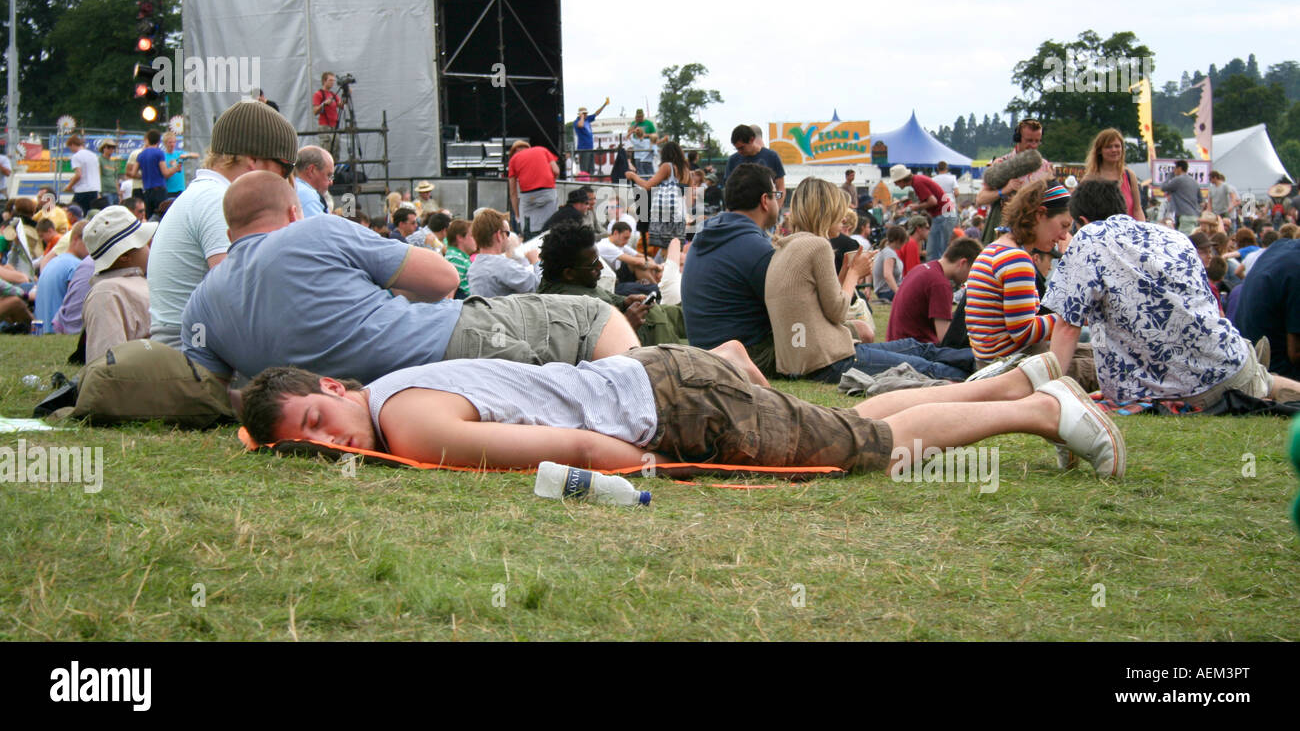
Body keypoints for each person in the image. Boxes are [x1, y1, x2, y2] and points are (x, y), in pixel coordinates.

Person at [237, 341, 1125, 477]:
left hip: (669, 407)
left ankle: (1042, 413)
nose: (331, 444)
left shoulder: (409, 427)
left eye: (319, 421)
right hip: (659, 372)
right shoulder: (391, 385)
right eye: (308, 446)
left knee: (868, 443)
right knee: (835, 424)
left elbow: (576, 445)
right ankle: (1008, 384)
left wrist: (646, 471)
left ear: (334, 389)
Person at [181, 173, 637, 383]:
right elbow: (440, 280)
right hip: (449, 346)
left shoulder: (201, 304)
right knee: (588, 314)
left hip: (387, 398)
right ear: (293, 212)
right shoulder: (315, 230)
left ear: (228, 231)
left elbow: (215, 392)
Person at [1045, 178, 1300, 406]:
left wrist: (1048, 395)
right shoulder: (1173, 236)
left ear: (1083, 222)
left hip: (1178, 392)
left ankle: (1253, 368)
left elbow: (1068, 326)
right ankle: (1251, 363)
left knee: (1259, 381)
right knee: (1260, 380)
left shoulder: (1090, 237)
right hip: (1225, 364)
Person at [766, 178, 973, 384]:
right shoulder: (817, 246)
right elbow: (837, 311)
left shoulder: (784, 248)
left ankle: (989, 363)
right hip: (827, 361)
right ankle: (988, 371)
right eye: (840, 210)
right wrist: (855, 273)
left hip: (801, 359)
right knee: (925, 367)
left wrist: (847, 270)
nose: (845, 218)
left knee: (917, 348)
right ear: (827, 211)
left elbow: (821, 306)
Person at [147, 100, 301, 348]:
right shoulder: (218, 201)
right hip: (196, 357)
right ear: (253, 160)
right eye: (285, 169)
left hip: (192, 347)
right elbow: (242, 302)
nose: (287, 181)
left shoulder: (205, 194)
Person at [681, 163, 781, 376]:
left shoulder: (706, 235)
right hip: (749, 356)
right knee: (851, 333)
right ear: (765, 200)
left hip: (704, 352)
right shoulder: (757, 249)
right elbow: (790, 313)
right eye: (776, 195)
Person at [966, 181, 1071, 366]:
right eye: (1063, 225)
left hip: (990, 363)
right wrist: (1072, 316)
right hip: (1009, 368)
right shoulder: (1016, 260)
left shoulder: (996, 248)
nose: (1064, 236)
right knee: (1094, 362)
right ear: (1040, 214)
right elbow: (1023, 333)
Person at [538, 221, 687, 346]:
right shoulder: (564, 309)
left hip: (656, 318)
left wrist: (625, 301)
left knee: (689, 313)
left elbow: (605, 296)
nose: (601, 267)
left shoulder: (578, 282)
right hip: (653, 339)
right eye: (594, 263)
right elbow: (590, 355)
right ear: (569, 273)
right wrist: (627, 323)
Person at [82, 205, 156, 364]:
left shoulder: (115, 288)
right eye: (144, 243)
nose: (149, 246)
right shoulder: (106, 293)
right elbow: (106, 365)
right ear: (125, 255)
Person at [888, 237, 983, 344]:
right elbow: (946, 339)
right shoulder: (940, 284)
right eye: (973, 271)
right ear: (962, 263)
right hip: (915, 348)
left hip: (897, 343)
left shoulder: (922, 269)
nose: (971, 277)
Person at [977, 119, 1053, 244]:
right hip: (1006, 228)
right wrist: (1004, 190)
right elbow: (980, 199)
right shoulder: (1001, 164)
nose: (1033, 146)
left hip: (1034, 228)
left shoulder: (1045, 167)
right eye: (1029, 141)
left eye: (1037, 141)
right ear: (1017, 138)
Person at [1234, 238, 1300, 380]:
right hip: (1275, 377)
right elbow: (1296, 352)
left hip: (1244, 364)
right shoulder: (1296, 269)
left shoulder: (1280, 247)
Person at [626, 139, 689, 250]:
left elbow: (647, 185)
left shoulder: (667, 166)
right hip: (680, 214)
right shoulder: (686, 170)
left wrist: (633, 176)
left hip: (664, 214)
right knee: (675, 248)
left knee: (664, 249)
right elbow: (690, 194)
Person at [466, 208, 541, 297]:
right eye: (507, 233)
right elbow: (539, 287)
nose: (508, 238)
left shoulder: (474, 267)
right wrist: (536, 261)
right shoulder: (502, 265)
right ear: (499, 235)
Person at [33, 221, 85, 334]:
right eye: (88, 241)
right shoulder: (76, 267)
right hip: (56, 331)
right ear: (76, 239)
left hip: (40, 331)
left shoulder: (52, 263)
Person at [1083, 128, 1145, 221]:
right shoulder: (1089, 179)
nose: (1114, 150)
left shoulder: (1129, 176)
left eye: (1117, 146)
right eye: (1108, 147)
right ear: (1099, 150)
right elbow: (1081, 212)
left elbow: (1137, 209)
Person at [507, 140, 559, 239]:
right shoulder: (542, 150)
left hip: (528, 196)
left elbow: (513, 192)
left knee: (528, 229)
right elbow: (556, 170)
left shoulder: (513, 159)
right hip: (548, 192)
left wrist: (518, 216)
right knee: (552, 226)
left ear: (514, 151)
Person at [51, 222, 94, 335]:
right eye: (88, 242)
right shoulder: (79, 266)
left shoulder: (55, 261)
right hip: (60, 329)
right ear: (75, 239)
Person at [722, 124, 785, 197]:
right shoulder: (733, 160)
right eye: (737, 149)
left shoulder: (772, 156)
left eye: (742, 148)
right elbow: (728, 189)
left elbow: (780, 188)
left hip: (767, 204)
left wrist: (776, 206)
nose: (739, 152)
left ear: (751, 140)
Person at [1156, 159, 1203, 234]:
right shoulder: (1194, 182)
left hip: (1185, 216)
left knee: (1185, 240)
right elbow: (1200, 200)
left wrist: (1169, 177)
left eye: (1175, 168)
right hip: (1194, 216)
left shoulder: (1178, 180)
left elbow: (1163, 187)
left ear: (1180, 168)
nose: (1174, 170)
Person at [135, 131, 170, 218]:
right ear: (158, 141)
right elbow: (165, 173)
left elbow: (133, 172)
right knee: (163, 215)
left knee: (149, 216)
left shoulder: (141, 155)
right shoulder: (159, 153)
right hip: (159, 189)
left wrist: (144, 175)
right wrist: (175, 169)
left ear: (147, 140)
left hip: (147, 190)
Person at [63, 135, 102, 211]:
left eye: (70, 147)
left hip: (82, 190)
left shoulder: (76, 156)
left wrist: (69, 186)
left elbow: (79, 175)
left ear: (73, 145)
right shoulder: (94, 156)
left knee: (74, 211)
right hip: (94, 189)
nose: (71, 150)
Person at [293, 146, 334, 218]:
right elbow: (320, 228)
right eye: (328, 175)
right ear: (311, 170)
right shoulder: (308, 197)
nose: (331, 182)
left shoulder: (290, 187)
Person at [573, 98, 610, 176]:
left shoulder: (587, 119)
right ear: (580, 114)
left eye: (586, 113)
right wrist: (582, 117)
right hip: (583, 148)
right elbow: (580, 125)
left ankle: (589, 184)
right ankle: (584, 185)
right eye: (584, 113)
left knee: (591, 169)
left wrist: (604, 105)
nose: (586, 114)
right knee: (584, 169)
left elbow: (596, 113)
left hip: (590, 147)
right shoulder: (577, 122)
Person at [872, 225, 907, 303]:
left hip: (886, 291)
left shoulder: (886, 250)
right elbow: (887, 275)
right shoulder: (889, 253)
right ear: (899, 240)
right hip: (887, 292)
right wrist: (899, 293)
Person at [442, 218, 475, 297]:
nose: (476, 239)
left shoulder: (458, 256)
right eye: (472, 236)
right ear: (460, 237)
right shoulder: (456, 259)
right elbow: (449, 294)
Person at [312, 71, 342, 157]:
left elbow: (341, 104)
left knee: (336, 150)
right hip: (325, 125)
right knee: (327, 151)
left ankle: (334, 168)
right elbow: (315, 111)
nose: (332, 83)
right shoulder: (318, 94)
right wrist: (324, 104)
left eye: (333, 81)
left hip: (334, 126)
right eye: (330, 80)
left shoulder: (333, 94)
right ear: (324, 81)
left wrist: (346, 95)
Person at [162, 130, 198, 199]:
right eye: (170, 142)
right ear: (165, 143)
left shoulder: (179, 154)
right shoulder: (162, 156)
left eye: (174, 142)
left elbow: (196, 155)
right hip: (168, 190)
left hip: (180, 189)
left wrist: (186, 155)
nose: (172, 144)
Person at [97, 140, 121, 207]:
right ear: (103, 148)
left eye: (113, 147)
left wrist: (119, 192)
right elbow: (98, 176)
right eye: (109, 147)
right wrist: (98, 192)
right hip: (105, 191)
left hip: (114, 191)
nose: (111, 149)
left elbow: (115, 178)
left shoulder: (114, 162)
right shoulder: (99, 160)